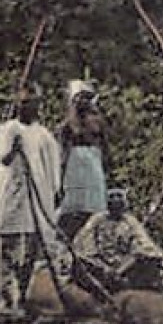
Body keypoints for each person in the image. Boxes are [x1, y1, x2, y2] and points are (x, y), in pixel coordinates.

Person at [0, 86, 63, 308]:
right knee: (7, 243)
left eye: (30, 103)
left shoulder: (44, 134)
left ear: (37, 106)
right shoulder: (9, 129)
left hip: (34, 198)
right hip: (11, 192)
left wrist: (55, 190)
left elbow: (53, 164)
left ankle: (23, 296)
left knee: (29, 248)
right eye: (21, 103)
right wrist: (14, 149)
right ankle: (4, 298)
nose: (25, 108)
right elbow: (3, 159)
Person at [71, 187, 163, 295]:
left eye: (119, 196)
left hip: (125, 265)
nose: (115, 200)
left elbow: (145, 243)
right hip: (99, 264)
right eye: (112, 197)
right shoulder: (97, 219)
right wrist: (100, 265)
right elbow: (85, 241)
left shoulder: (130, 221)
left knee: (149, 262)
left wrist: (161, 255)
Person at [56, 78, 107, 241]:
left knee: (92, 228)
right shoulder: (67, 129)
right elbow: (62, 157)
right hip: (74, 188)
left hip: (93, 189)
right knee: (71, 226)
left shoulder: (95, 125)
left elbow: (103, 151)